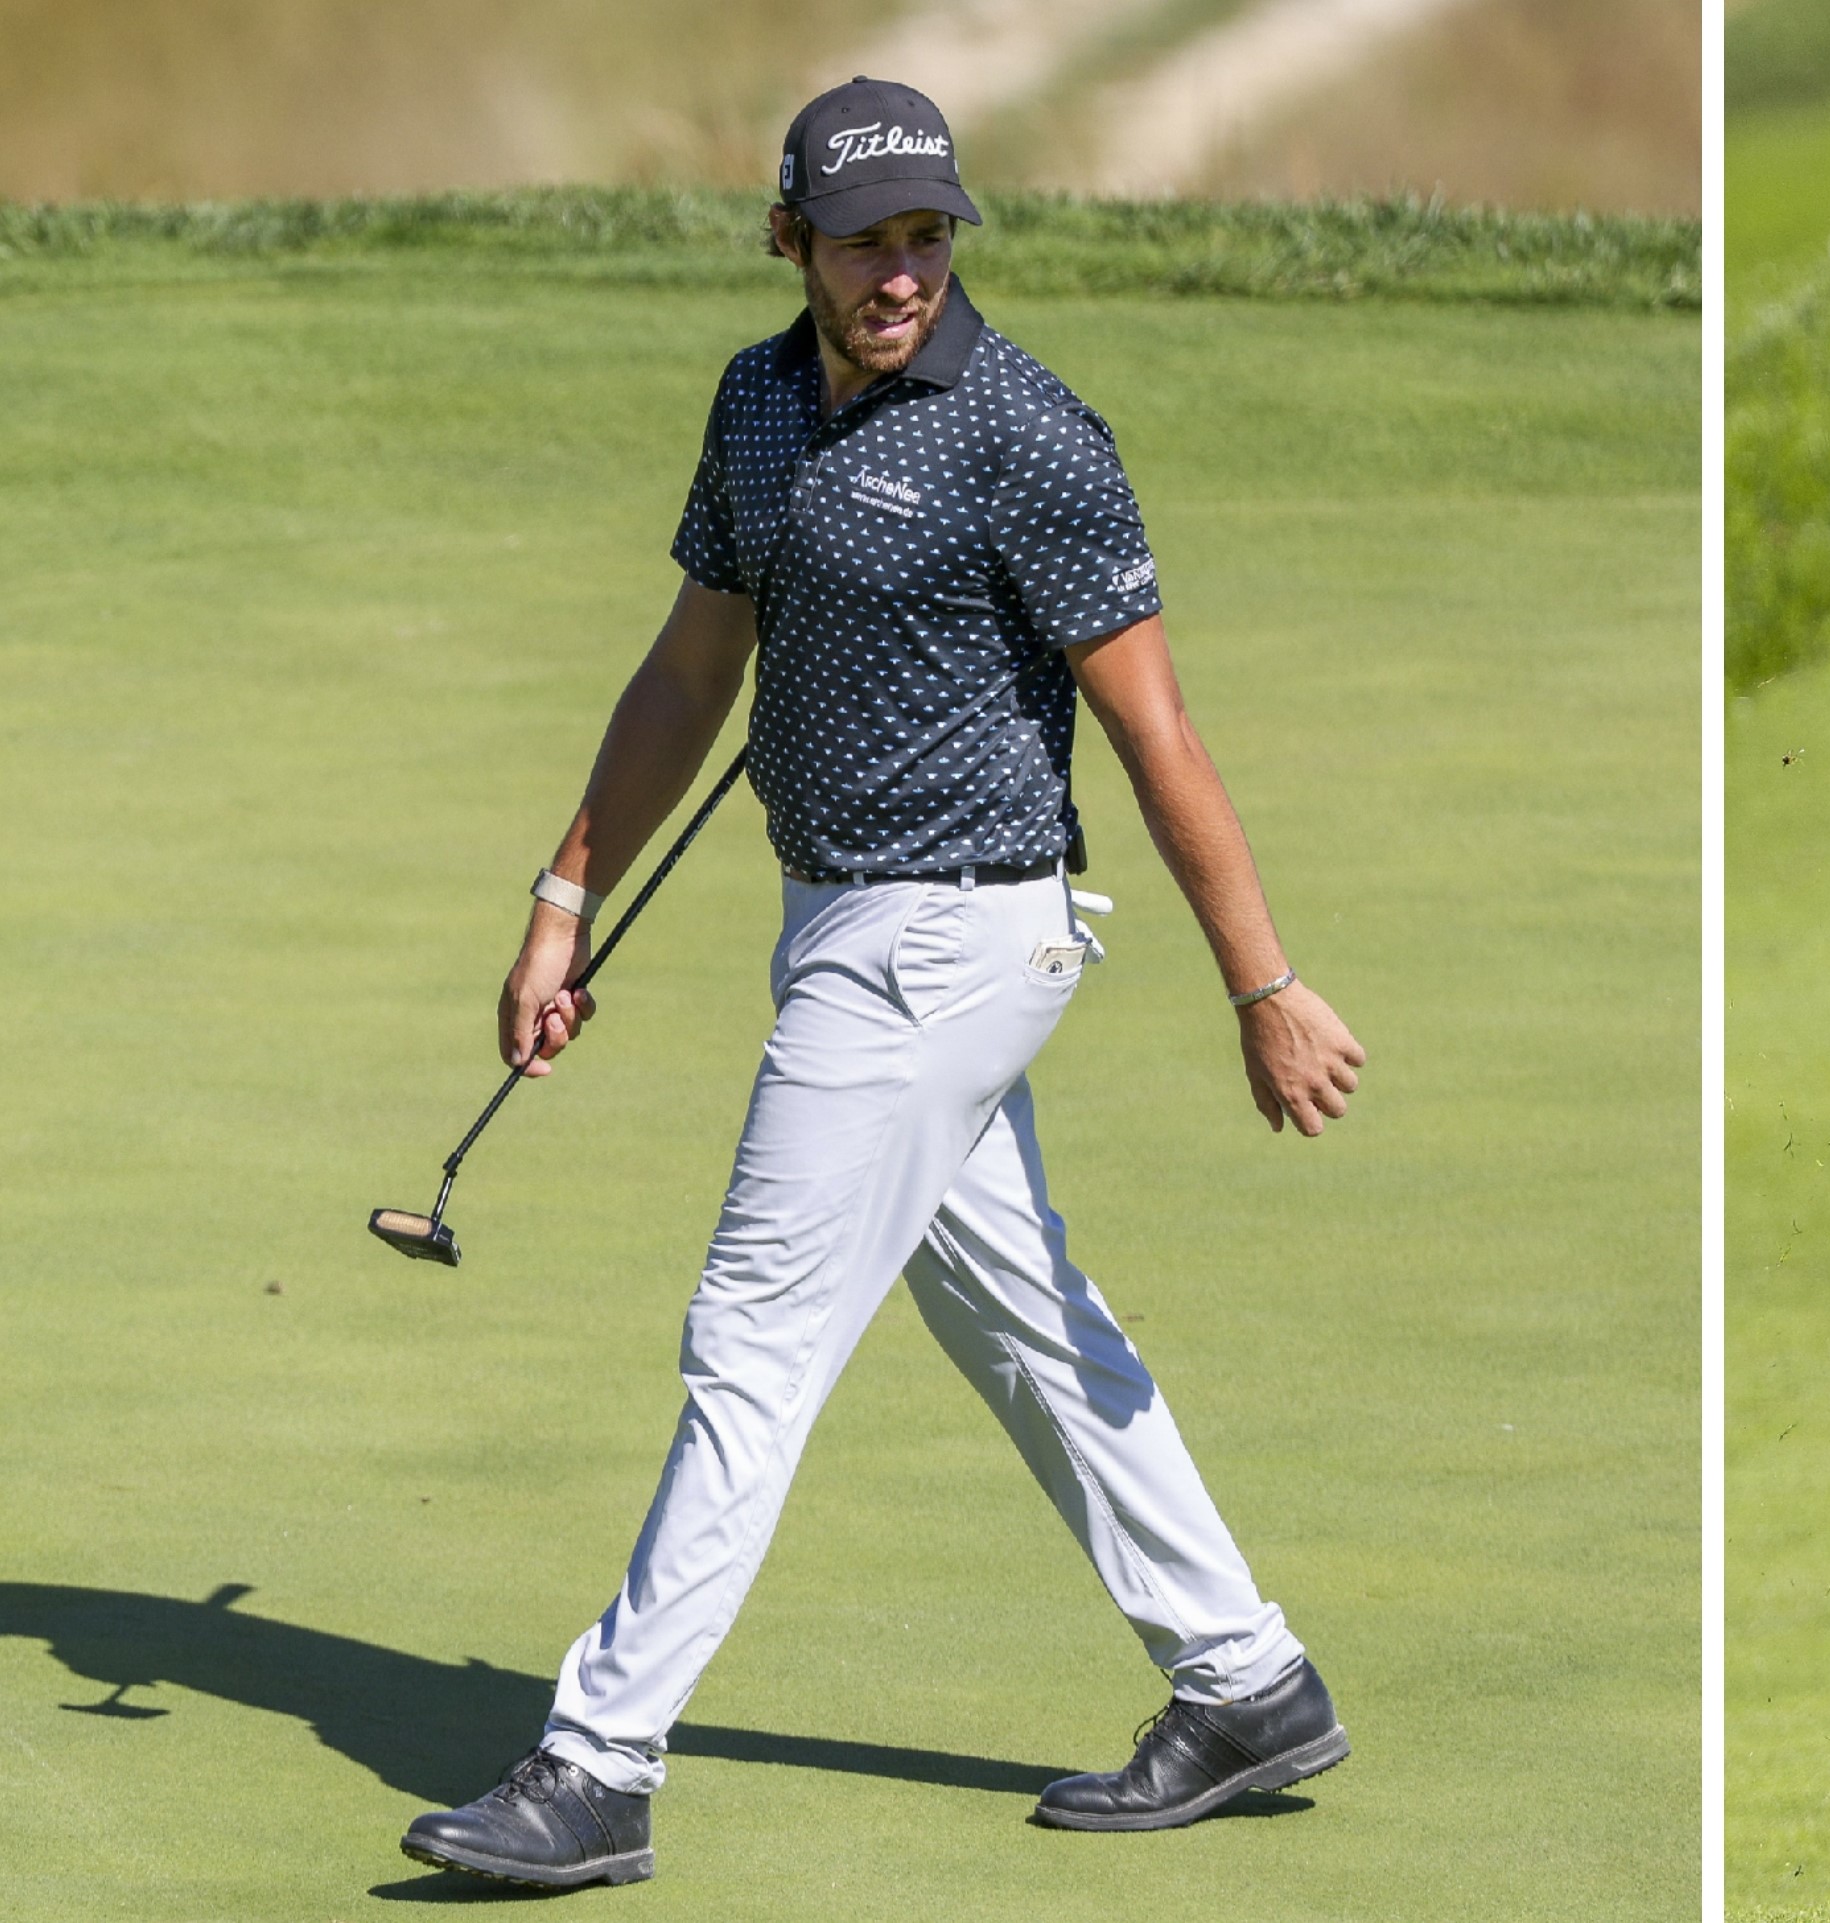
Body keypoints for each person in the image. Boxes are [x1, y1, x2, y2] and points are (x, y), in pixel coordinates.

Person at [398, 76, 1368, 1890]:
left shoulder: (1026, 437)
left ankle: (599, 1758)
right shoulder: (760, 404)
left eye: (929, 235)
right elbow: (691, 674)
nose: (902, 271)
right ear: (792, 242)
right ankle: (1243, 1678)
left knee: (750, 1338)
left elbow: (1153, 732)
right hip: (835, 926)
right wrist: (561, 899)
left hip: (952, 940)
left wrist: (1266, 985)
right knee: (1021, 1315)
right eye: (866, 241)